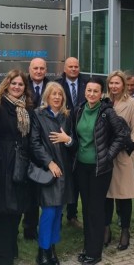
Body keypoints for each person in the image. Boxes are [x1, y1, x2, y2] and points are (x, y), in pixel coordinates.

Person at [75, 77, 128, 265]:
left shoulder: (107, 112)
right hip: (82, 167)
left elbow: (122, 135)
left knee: (96, 210)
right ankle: (87, 247)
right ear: (85, 91)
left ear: (101, 93)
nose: (91, 94)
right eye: (88, 90)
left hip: (100, 169)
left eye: (95, 91)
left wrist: (108, 155)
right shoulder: (80, 109)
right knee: (86, 208)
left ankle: (95, 253)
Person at [0, 69, 34, 265]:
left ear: (25, 88)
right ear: (7, 84)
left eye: (20, 84)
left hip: (20, 164)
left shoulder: (27, 109)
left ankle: (9, 252)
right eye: (13, 83)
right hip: (0, 163)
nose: (17, 87)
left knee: (15, 209)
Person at [30, 82, 76, 265]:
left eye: (60, 94)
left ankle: (52, 249)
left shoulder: (67, 116)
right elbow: (34, 143)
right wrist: (49, 163)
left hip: (64, 171)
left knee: (58, 211)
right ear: (47, 97)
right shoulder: (38, 115)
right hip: (48, 170)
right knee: (48, 211)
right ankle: (43, 251)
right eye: (53, 94)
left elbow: (74, 145)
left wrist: (68, 140)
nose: (57, 97)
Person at [104, 70, 134, 251]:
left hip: (124, 154)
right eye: (111, 83)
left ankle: (125, 231)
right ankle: (106, 229)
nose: (114, 86)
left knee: (124, 195)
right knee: (106, 194)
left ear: (124, 85)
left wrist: (130, 148)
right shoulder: (104, 102)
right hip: (106, 155)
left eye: (117, 83)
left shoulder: (132, 103)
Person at [56, 57, 86, 229]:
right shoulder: (57, 84)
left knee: (76, 178)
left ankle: (72, 215)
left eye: (76, 66)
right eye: (70, 67)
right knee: (61, 176)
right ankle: (58, 214)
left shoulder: (86, 83)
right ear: (65, 68)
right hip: (61, 134)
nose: (74, 69)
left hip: (82, 135)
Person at [23, 58, 50, 239]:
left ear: (46, 70)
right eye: (35, 68)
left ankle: (50, 225)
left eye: (42, 68)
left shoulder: (53, 87)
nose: (39, 71)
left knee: (49, 188)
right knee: (30, 191)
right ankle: (30, 228)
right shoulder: (22, 85)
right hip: (26, 145)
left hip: (48, 145)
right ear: (29, 69)